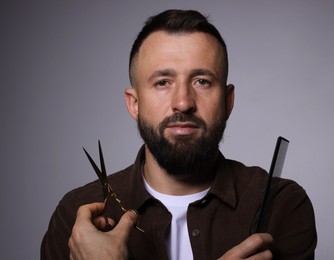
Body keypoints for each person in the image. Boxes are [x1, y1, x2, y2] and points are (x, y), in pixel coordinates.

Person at [41, 9, 317, 260]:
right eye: (162, 82)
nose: (183, 102)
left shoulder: (282, 206)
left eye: (202, 81)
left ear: (228, 101)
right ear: (134, 104)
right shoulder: (76, 220)